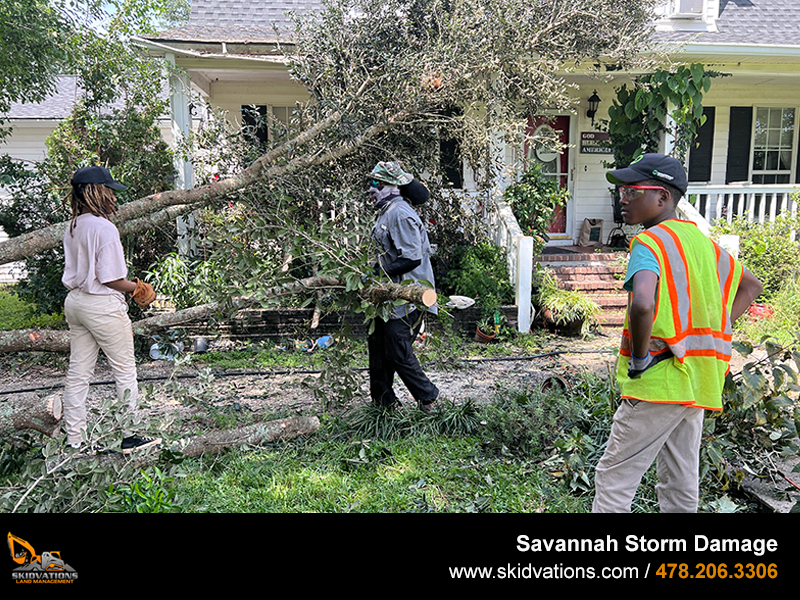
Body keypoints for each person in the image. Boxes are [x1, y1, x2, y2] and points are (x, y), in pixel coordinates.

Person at [593, 153, 763, 513]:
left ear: (663, 197)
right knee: (680, 484)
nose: (622, 198)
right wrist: (723, 325)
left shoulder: (650, 243)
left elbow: (642, 304)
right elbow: (751, 285)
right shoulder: (704, 244)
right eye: (622, 190)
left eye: (633, 191)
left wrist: (639, 358)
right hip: (697, 384)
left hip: (658, 379)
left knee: (614, 480)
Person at [61, 166, 161, 453]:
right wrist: (139, 288)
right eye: (109, 192)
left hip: (76, 302)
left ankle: (75, 440)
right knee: (125, 370)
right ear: (95, 192)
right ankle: (129, 436)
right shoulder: (104, 228)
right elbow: (109, 278)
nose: (113, 198)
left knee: (79, 372)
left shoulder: (74, 226)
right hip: (101, 305)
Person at [367, 161, 439, 412]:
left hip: (409, 295)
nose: (371, 188)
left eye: (376, 183)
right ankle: (383, 405)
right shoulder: (387, 211)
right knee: (377, 344)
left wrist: (378, 272)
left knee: (397, 348)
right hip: (388, 296)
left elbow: (411, 257)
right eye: (371, 182)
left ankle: (428, 397)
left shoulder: (400, 213)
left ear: (391, 186)